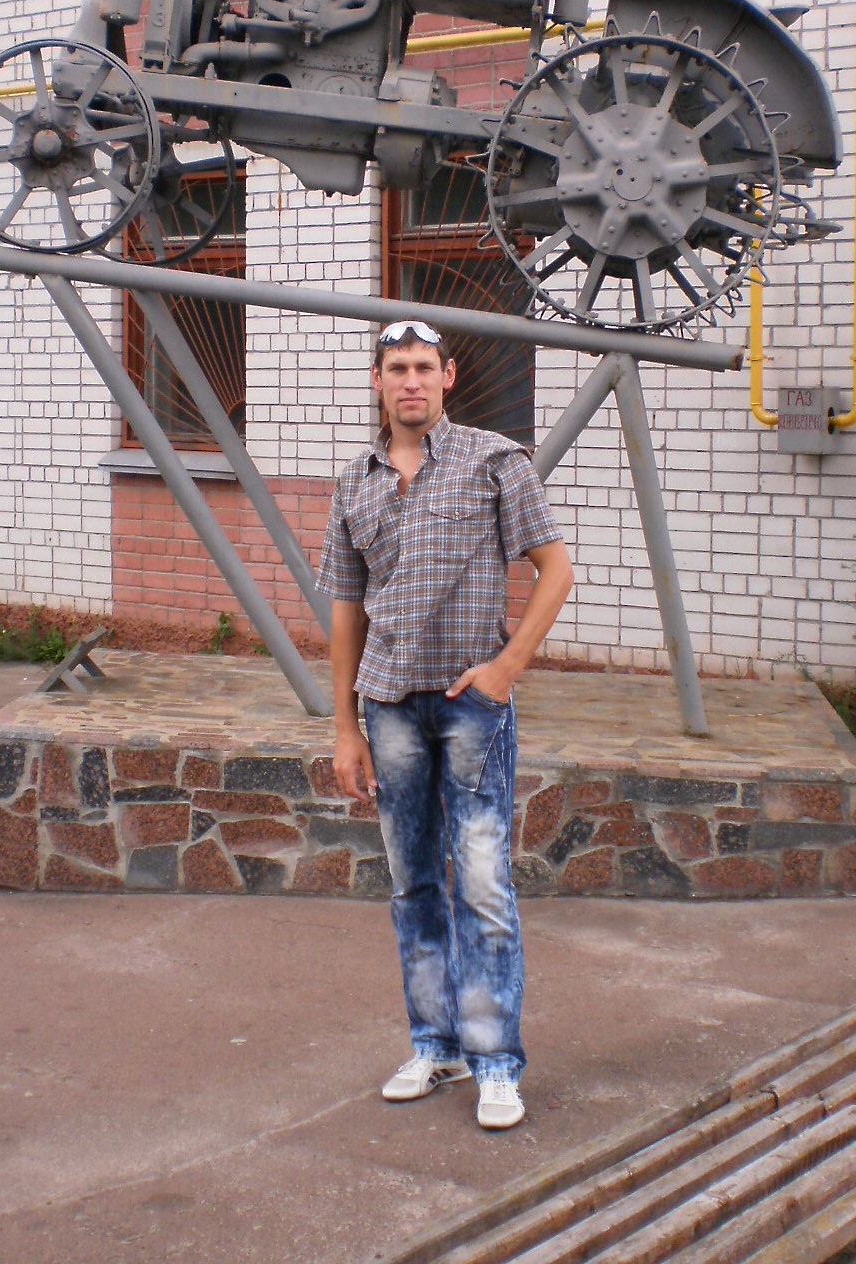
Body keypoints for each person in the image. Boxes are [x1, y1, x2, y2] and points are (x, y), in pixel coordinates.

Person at [317, 320, 574, 1131]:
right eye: (397, 367)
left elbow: (556, 570)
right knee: (413, 884)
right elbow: (346, 610)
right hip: (390, 705)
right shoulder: (354, 483)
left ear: (448, 376)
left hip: (471, 704)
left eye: (424, 367)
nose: (411, 381)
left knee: (485, 882)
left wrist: (506, 669)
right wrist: (345, 727)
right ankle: (436, 1046)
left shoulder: (496, 462)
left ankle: (496, 1063)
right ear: (377, 380)